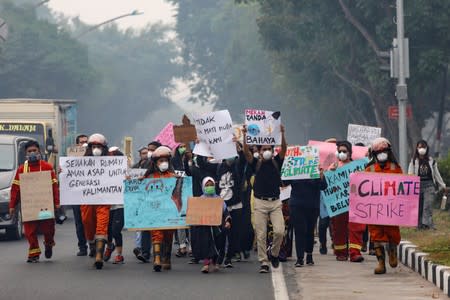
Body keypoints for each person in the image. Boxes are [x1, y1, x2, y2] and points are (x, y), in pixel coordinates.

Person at [243, 124, 287, 274]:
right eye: (264, 149)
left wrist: (282, 133)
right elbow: (246, 152)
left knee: (280, 231)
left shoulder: (276, 162)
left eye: (269, 149)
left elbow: (284, 150)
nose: (267, 151)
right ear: (260, 151)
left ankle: (274, 254)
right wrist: (244, 136)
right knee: (260, 234)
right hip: (260, 202)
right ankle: (263, 261)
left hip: (275, 202)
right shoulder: (256, 163)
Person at [9, 140, 60, 263]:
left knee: (48, 230)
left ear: (39, 152)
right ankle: (34, 253)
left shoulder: (47, 167)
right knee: (29, 232)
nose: (32, 153)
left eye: (34, 151)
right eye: (29, 151)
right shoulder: (22, 170)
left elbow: (54, 187)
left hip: (45, 207)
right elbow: (15, 189)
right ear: (26, 154)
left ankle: (48, 244)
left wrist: (57, 202)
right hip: (29, 206)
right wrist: (12, 205)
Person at [197, 144, 246, 268]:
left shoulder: (237, 166)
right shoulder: (218, 167)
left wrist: (239, 149)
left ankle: (229, 258)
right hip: (219, 206)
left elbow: (244, 159)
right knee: (221, 235)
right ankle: (218, 257)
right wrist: (199, 148)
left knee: (234, 234)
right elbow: (202, 164)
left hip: (236, 206)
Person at [366, 137, 402, 274]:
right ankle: (381, 263)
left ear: (388, 152)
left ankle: (393, 253)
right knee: (376, 236)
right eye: (379, 152)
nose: (382, 154)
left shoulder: (395, 168)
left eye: (384, 151)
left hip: (391, 210)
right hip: (374, 211)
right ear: (374, 154)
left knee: (393, 234)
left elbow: (403, 188)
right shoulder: (368, 169)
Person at [328, 141, 366, 263]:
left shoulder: (357, 167)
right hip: (339, 204)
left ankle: (355, 253)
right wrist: (330, 172)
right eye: (340, 151)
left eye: (345, 151)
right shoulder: (333, 167)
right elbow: (327, 185)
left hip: (354, 202)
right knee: (339, 228)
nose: (342, 153)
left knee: (356, 227)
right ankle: (341, 253)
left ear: (350, 153)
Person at [144, 145, 177, 272]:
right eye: (160, 161)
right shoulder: (150, 177)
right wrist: (134, 181)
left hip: (169, 212)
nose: (163, 163)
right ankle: (157, 260)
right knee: (156, 234)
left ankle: (166, 258)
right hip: (155, 211)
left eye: (165, 161)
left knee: (168, 235)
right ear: (155, 163)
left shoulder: (173, 176)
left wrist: (181, 181)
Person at [81, 133, 111, 269]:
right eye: (94, 146)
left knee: (102, 224)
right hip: (87, 199)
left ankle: (99, 256)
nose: (96, 149)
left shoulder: (111, 161)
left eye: (99, 146)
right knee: (87, 222)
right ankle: (91, 243)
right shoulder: (81, 162)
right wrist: (64, 172)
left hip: (104, 199)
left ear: (104, 148)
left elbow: (117, 176)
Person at [191, 177, 232, 273]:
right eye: (207, 185)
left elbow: (225, 212)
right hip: (205, 228)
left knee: (218, 244)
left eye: (211, 185)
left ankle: (215, 262)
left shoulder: (219, 199)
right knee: (205, 244)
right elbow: (195, 214)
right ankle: (206, 264)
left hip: (217, 227)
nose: (209, 187)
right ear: (203, 187)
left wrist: (227, 221)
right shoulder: (200, 200)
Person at [290, 168, 327, 267]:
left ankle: (309, 255)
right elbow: (284, 182)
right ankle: (300, 258)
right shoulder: (295, 168)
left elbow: (324, 186)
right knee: (299, 230)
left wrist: (321, 177)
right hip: (297, 204)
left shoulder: (315, 169)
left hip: (312, 205)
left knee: (310, 231)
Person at [408, 140, 448, 230]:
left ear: (426, 148)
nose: (421, 149)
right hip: (417, 186)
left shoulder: (431, 161)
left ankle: (427, 225)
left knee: (427, 206)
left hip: (429, 186)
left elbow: (437, 174)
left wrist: (443, 185)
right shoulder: (413, 161)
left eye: (423, 147)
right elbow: (410, 173)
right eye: (419, 147)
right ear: (417, 149)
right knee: (419, 207)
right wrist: (410, 187)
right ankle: (419, 225)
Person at [132, 141, 161, 263]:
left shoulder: (165, 164)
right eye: (148, 149)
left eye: (152, 149)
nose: (150, 152)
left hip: (161, 200)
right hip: (147, 199)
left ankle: (161, 254)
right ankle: (145, 253)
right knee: (146, 227)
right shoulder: (145, 164)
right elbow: (139, 178)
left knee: (160, 229)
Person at [104, 147, 125, 264]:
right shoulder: (103, 171)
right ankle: (109, 246)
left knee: (116, 230)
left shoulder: (125, 172)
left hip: (120, 205)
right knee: (107, 230)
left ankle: (119, 255)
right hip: (107, 205)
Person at [72, 134, 89, 256]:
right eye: (81, 142)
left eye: (86, 142)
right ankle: (82, 246)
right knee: (79, 222)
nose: (84, 144)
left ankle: (93, 244)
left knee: (90, 220)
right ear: (76, 145)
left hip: (91, 195)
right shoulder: (71, 159)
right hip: (77, 195)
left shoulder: (96, 157)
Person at [172, 143, 190, 257]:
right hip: (179, 193)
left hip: (190, 193)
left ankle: (193, 248)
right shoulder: (174, 161)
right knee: (181, 221)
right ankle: (182, 246)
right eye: (181, 146)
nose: (183, 148)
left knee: (192, 222)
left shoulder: (192, 160)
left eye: (185, 146)